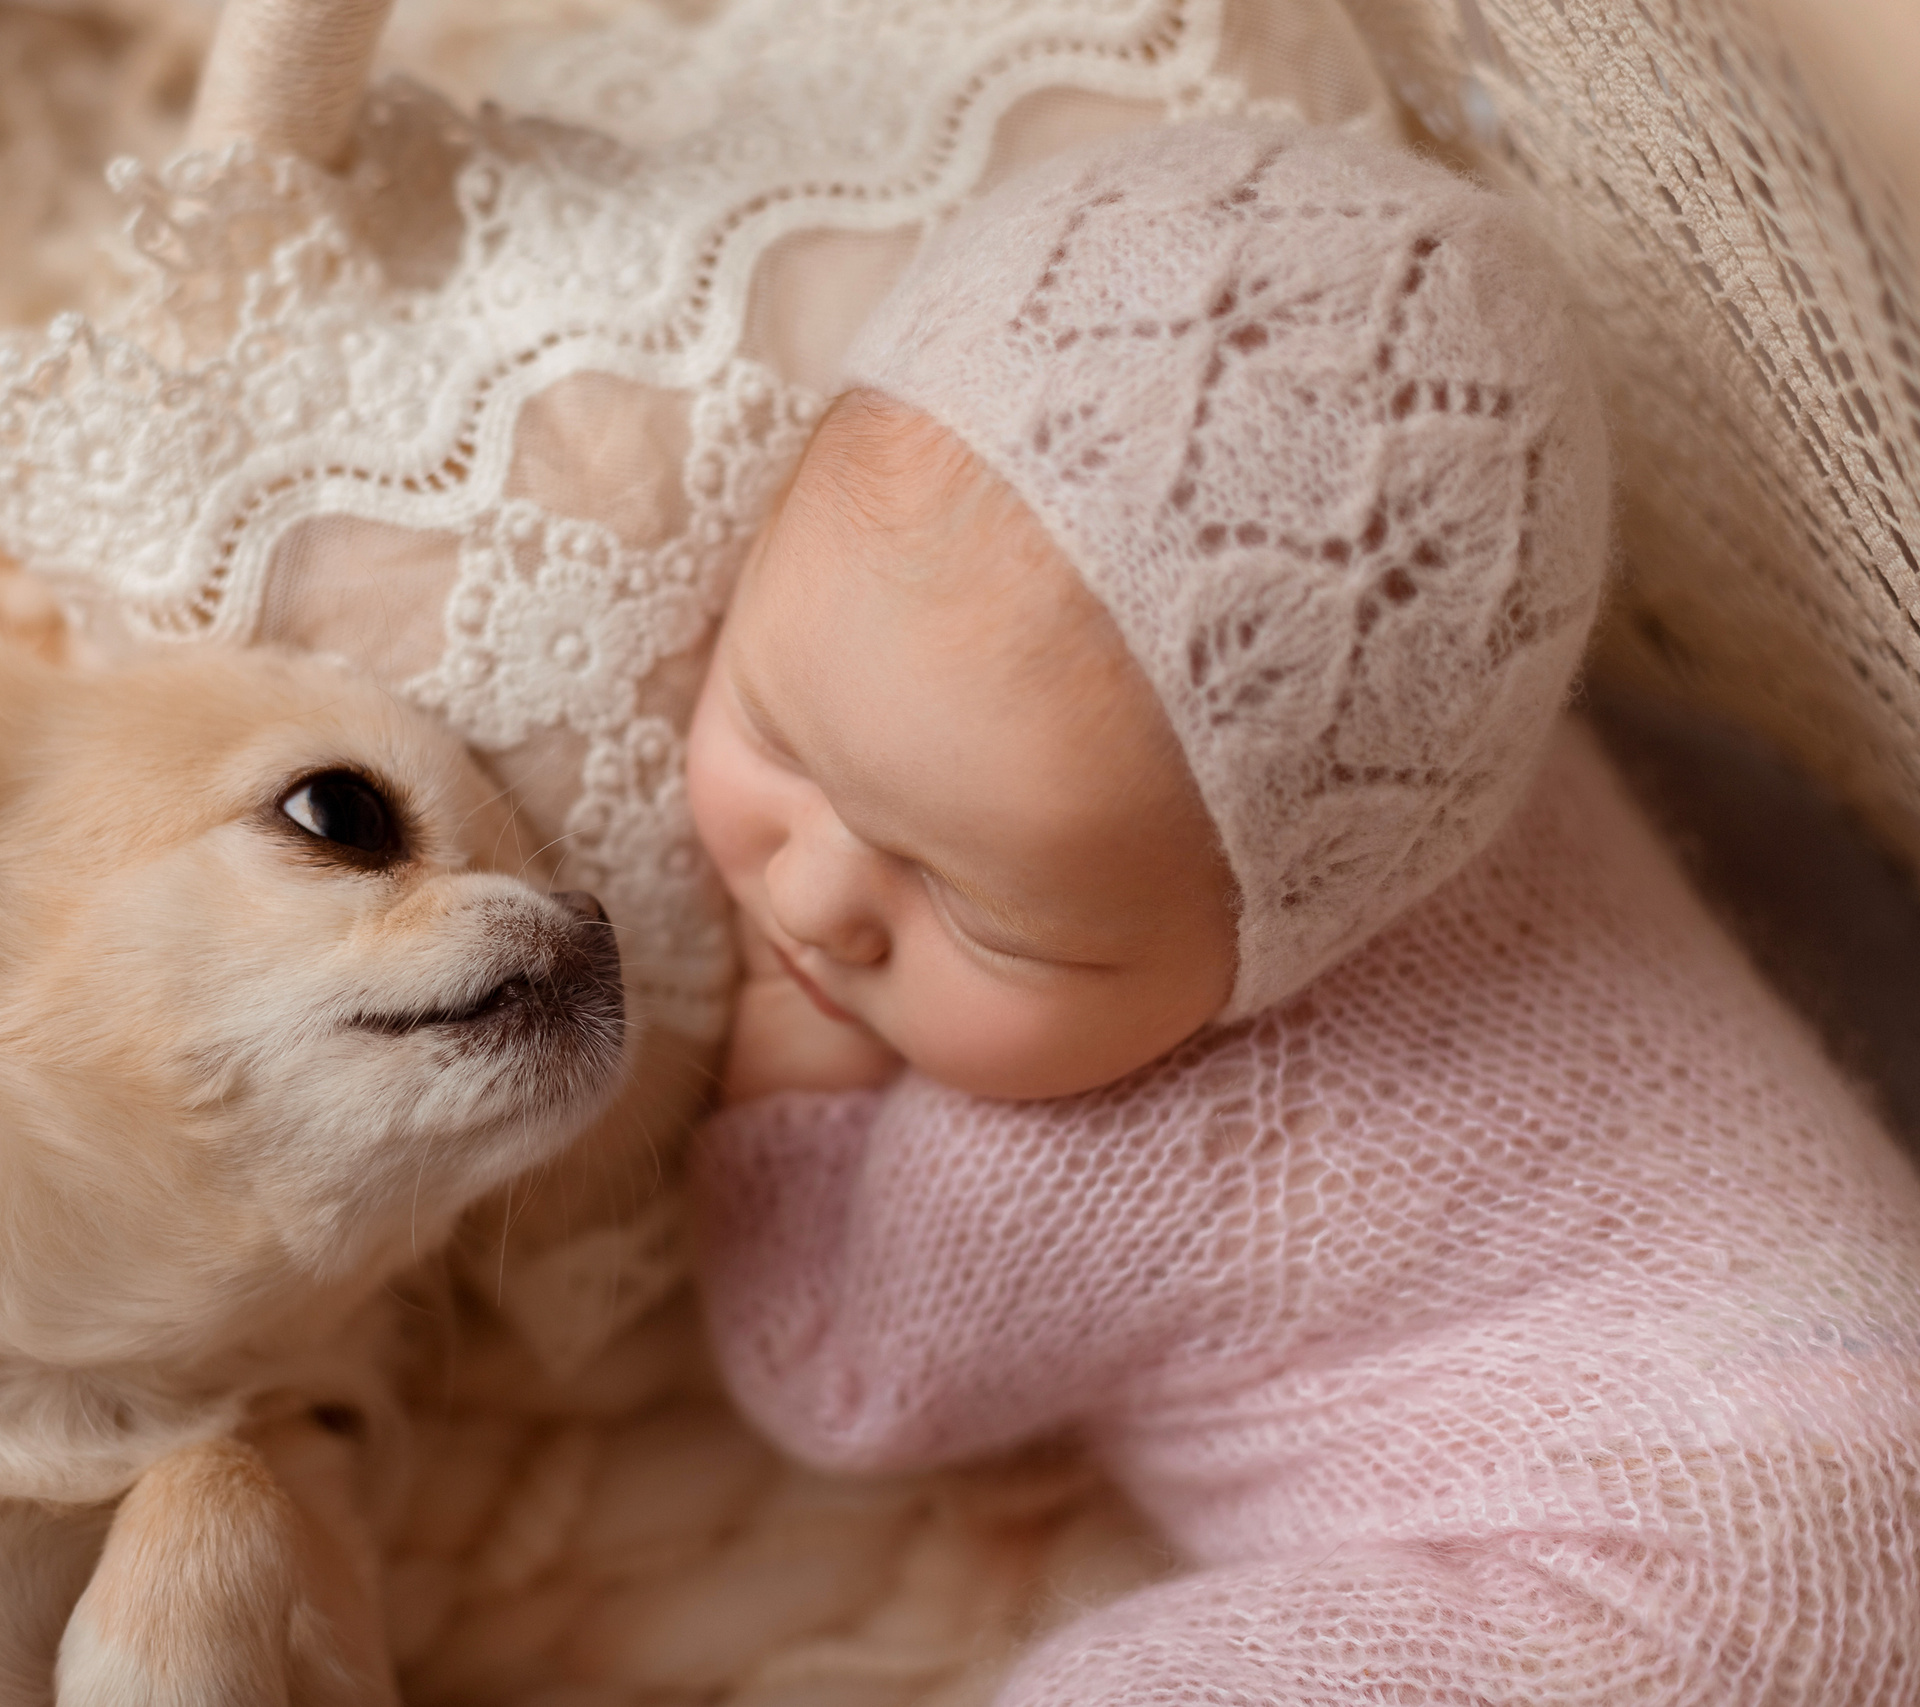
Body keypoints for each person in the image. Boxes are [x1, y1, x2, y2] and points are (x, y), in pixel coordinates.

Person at [686, 119, 1920, 1702]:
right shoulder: (1434, 737)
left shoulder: (1082, 1159)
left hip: (1687, 1592)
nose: (812, 896)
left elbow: (833, 1376)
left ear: (1281, 936)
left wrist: (786, 1056)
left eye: (974, 908)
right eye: (782, 737)